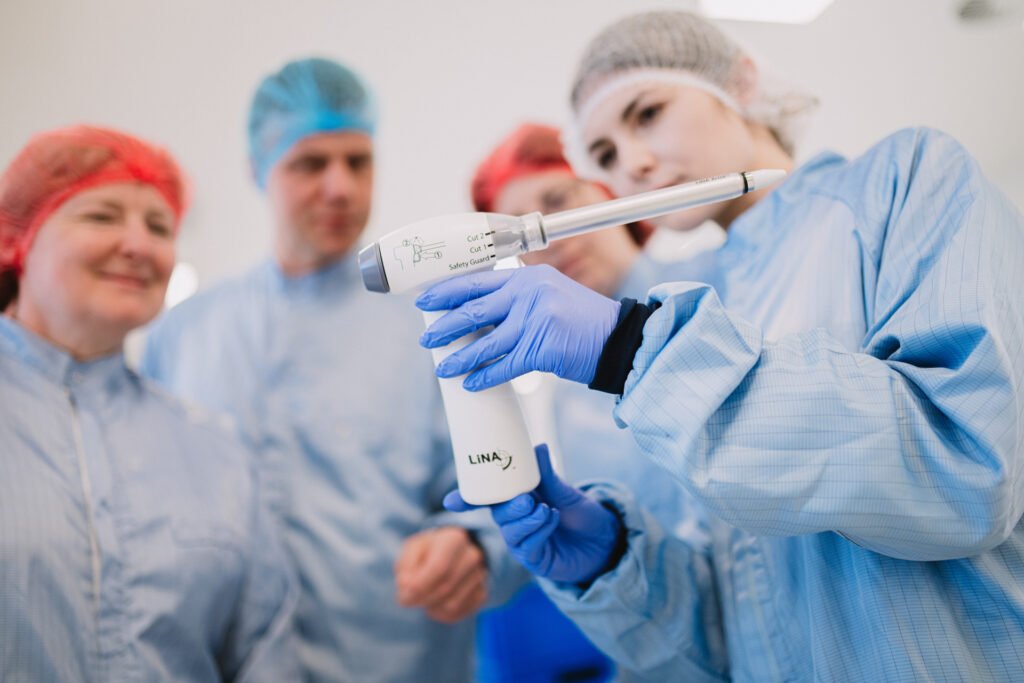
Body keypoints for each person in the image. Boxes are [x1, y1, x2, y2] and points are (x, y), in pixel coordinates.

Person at [421, 11, 1024, 682]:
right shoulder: (711, 300)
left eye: (647, 113)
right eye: (607, 156)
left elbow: (969, 472)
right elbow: (735, 630)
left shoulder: (908, 177)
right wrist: (615, 564)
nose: (634, 164)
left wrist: (628, 348)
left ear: (740, 81)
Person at [141, 57, 521, 682]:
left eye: (358, 161)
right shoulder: (182, 335)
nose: (341, 187)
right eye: (311, 164)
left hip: (396, 663)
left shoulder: (438, 325)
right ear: (258, 170)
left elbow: (507, 493)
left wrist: (473, 545)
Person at [0, 125, 299, 682]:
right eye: (101, 216)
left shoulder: (214, 448)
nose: (139, 245)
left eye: (159, 227)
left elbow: (263, 651)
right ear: (15, 241)